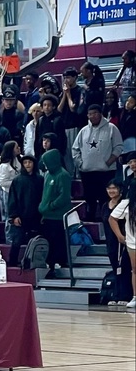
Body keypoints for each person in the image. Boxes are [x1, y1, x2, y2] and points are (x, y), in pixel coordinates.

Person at [72, 103, 124, 222]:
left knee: (104, 198)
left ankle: (106, 219)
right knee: (90, 198)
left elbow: (119, 147)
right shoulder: (83, 131)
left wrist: (109, 161)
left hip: (105, 171)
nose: (93, 116)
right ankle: (91, 218)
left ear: (100, 114)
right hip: (87, 171)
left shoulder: (112, 128)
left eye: (95, 113)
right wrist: (80, 164)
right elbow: (75, 149)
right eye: (90, 114)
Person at [39, 148, 73, 278]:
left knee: (58, 240)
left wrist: (50, 206)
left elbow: (64, 196)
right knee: (49, 241)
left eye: (47, 162)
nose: (45, 165)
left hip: (58, 216)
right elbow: (45, 194)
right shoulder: (47, 175)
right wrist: (43, 207)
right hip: (47, 215)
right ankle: (51, 263)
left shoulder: (63, 175)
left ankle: (60, 262)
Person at [6, 155, 43, 267]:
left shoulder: (40, 179)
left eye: (30, 162)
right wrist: (14, 215)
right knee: (16, 241)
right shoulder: (17, 180)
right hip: (21, 216)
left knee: (35, 242)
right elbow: (12, 199)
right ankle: (12, 264)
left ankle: (33, 264)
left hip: (36, 216)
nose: (27, 165)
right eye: (25, 162)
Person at [109, 173, 136, 307]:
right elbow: (112, 218)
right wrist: (120, 235)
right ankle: (135, 297)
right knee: (134, 269)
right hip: (132, 242)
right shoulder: (126, 204)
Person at [58, 67, 87, 172]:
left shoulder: (80, 91)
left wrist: (69, 94)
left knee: (75, 152)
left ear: (75, 77)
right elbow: (59, 109)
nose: (66, 80)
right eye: (65, 77)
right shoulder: (64, 92)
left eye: (69, 77)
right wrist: (65, 95)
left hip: (75, 125)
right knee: (66, 153)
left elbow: (73, 108)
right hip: (64, 126)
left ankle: (78, 174)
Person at [102, 176, 129, 273]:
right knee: (115, 268)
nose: (111, 191)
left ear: (120, 189)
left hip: (122, 240)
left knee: (124, 268)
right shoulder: (105, 205)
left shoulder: (124, 204)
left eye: (114, 188)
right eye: (109, 188)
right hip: (110, 241)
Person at [0, 140, 22, 230]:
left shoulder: (20, 159)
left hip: (19, 193)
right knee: (10, 216)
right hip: (8, 193)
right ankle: (9, 238)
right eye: (16, 147)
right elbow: (2, 182)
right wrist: (17, 182)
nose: (19, 148)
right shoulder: (4, 166)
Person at [34, 95, 65, 160]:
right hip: (42, 151)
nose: (46, 107)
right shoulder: (41, 120)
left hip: (54, 151)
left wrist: (61, 152)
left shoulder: (58, 120)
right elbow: (37, 137)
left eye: (49, 105)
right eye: (44, 105)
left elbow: (62, 138)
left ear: (53, 107)